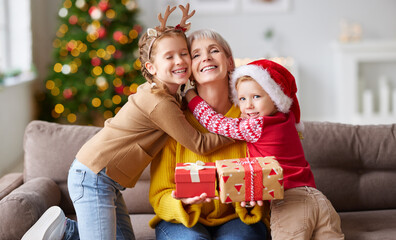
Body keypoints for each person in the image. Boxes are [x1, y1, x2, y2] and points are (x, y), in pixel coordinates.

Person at [21, 5, 233, 240]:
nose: (180, 61)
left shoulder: (169, 95)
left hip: (106, 179)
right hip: (93, 177)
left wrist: (193, 96)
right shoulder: (159, 103)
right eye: (169, 57)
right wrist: (236, 129)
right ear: (152, 68)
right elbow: (200, 144)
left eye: (183, 53)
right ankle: (62, 233)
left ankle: (67, 231)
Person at [186, 59, 345, 240]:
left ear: (275, 98)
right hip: (319, 199)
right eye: (242, 99)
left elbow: (215, 123)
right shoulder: (287, 119)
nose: (248, 105)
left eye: (256, 97)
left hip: (290, 201)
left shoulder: (257, 125)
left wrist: (191, 97)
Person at [148, 29, 270, 240]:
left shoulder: (252, 121)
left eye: (214, 50)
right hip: (181, 221)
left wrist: (252, 199)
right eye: (196, 55)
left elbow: (271, 177)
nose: (206, 57)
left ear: (230, 62)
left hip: (236, 218)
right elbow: (160, 195)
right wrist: (182, 202)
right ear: (189, 70)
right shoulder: (176, 120)